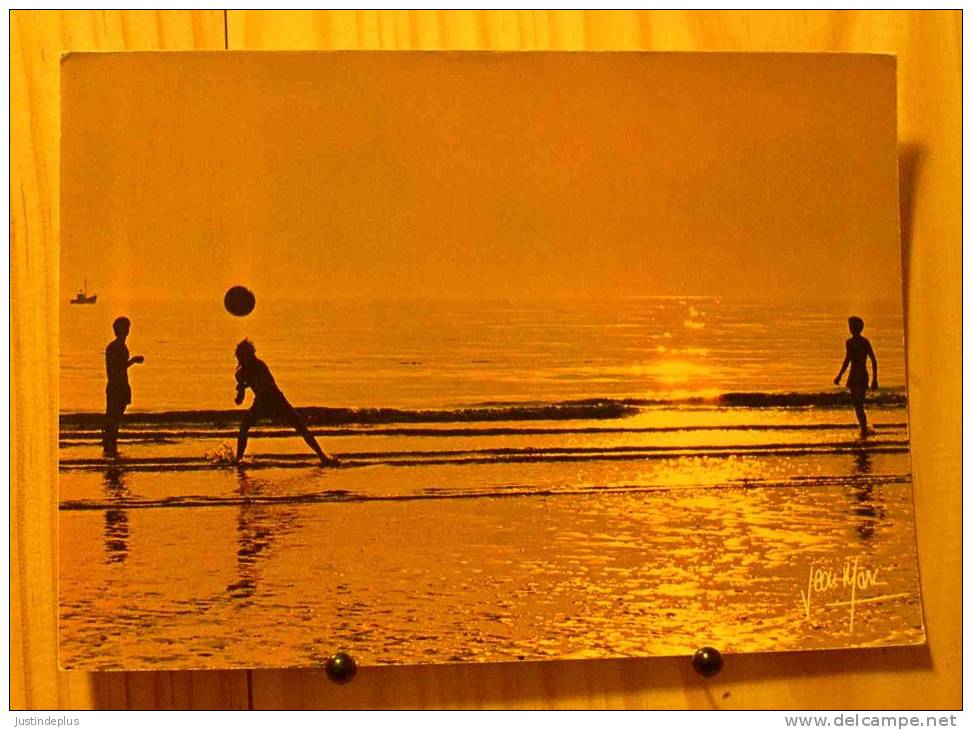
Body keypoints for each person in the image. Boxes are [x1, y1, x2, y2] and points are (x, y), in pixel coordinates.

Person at [233, 339, 338, 466]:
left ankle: (322, 457)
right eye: (245, 356)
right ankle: (238, 460)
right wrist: (240, 392)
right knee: (244, 427)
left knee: (300, 427)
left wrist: (246, 385)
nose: (249, 358)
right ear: (240, 357)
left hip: (276, 398)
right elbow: (239, 401)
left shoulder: (260, 365)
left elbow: (264, 384)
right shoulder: (240, 374)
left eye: (250, 355)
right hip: (260, 401)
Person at [103, 316, 144, 455]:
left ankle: (110, 448)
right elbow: (116, 368)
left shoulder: (118, 346)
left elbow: (117, 368)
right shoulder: (116, 347)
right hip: (116, 387)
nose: (127, 330)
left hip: (119, 385)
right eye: (125, 328)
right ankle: (109, 446)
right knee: (113, 418)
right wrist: (132, 361)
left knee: (114, 418)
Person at [833, 316, 878, 438]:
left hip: (861, 375)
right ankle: (864, 427)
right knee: (857, 404)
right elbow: (847, 360)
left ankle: (864, 429)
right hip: (854, 375)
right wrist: (839, 375)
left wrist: (875, 379)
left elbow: (873, 360)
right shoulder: (849, 342)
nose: (850, 328)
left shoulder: (864, 342)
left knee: (859, 404)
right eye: (850, 326)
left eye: (852, 326)